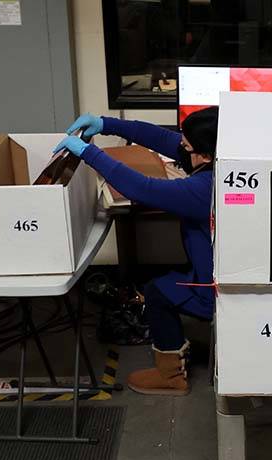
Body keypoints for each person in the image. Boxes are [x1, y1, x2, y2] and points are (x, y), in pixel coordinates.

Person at [54, 108, 217, 396]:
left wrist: (88, 154)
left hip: (214, 289)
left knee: (158, 292)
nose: (180, 147)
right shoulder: (222, 158)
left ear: (204, 156)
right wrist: (105, 124)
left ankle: (171, 377)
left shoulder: (207, 187)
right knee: (158, 285)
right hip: (214, 269)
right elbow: (161, 138)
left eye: (187, 146)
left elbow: (142, 188)